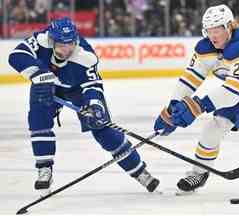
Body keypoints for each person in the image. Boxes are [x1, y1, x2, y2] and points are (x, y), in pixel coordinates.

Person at [8, 17, 159, 196]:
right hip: (46, 84)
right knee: (38, 121)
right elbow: (16, 55)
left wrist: (95, 106)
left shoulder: (85, 56)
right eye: (62, 45)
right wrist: (39, 73)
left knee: (104, 130)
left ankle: (140, 171)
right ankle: (44, 170)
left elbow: (93, 87)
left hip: (77, 90)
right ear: (52, 40)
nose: (67, 49)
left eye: (71, 43)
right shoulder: (41, 39)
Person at [154, 4, 239, 193]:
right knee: (213, 126)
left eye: (217, 29)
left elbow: (233, 92)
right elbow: (189, 78)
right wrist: (172, 108)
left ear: (230, 26)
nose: (213, 35)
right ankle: (198, 173)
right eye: (209, 30)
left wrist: (197, 106)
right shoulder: (204, 48)